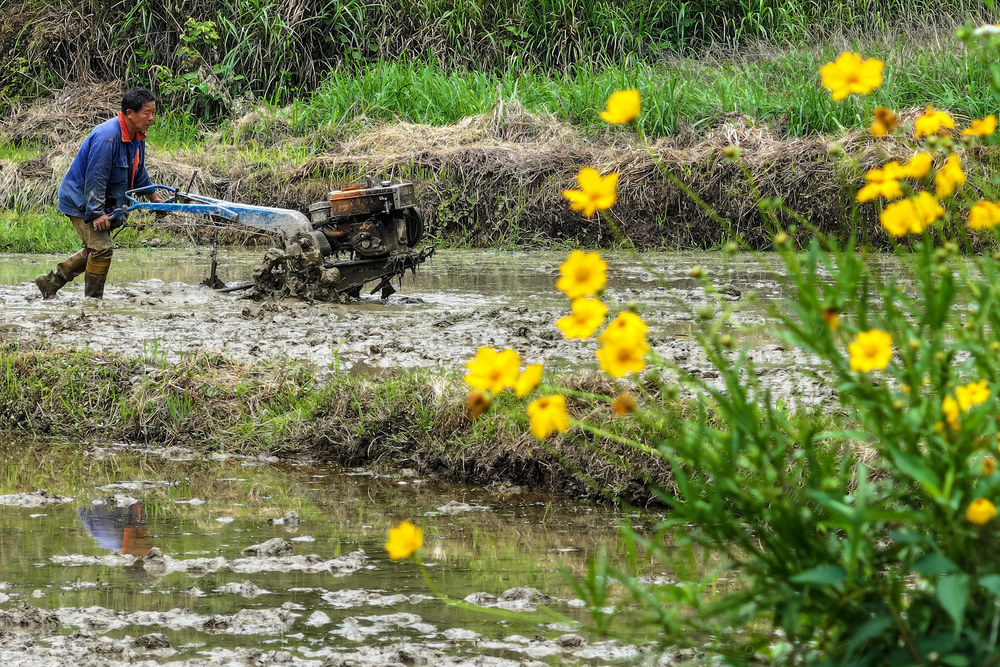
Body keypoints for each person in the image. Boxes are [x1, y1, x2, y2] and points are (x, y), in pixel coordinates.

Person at [34, 87, 164, 299]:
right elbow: (96, 178)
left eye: (153, 112)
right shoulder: (107, 138)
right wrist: (96, 212)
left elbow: (138, 171)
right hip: (80, 199)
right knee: (101, 250)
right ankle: (93, 301)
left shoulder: (137, 137)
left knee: (94, 250)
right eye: (147, 113)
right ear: (129, 113)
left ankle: (51, 282)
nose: (152, 118)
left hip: (99, 200)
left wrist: (154, 197)